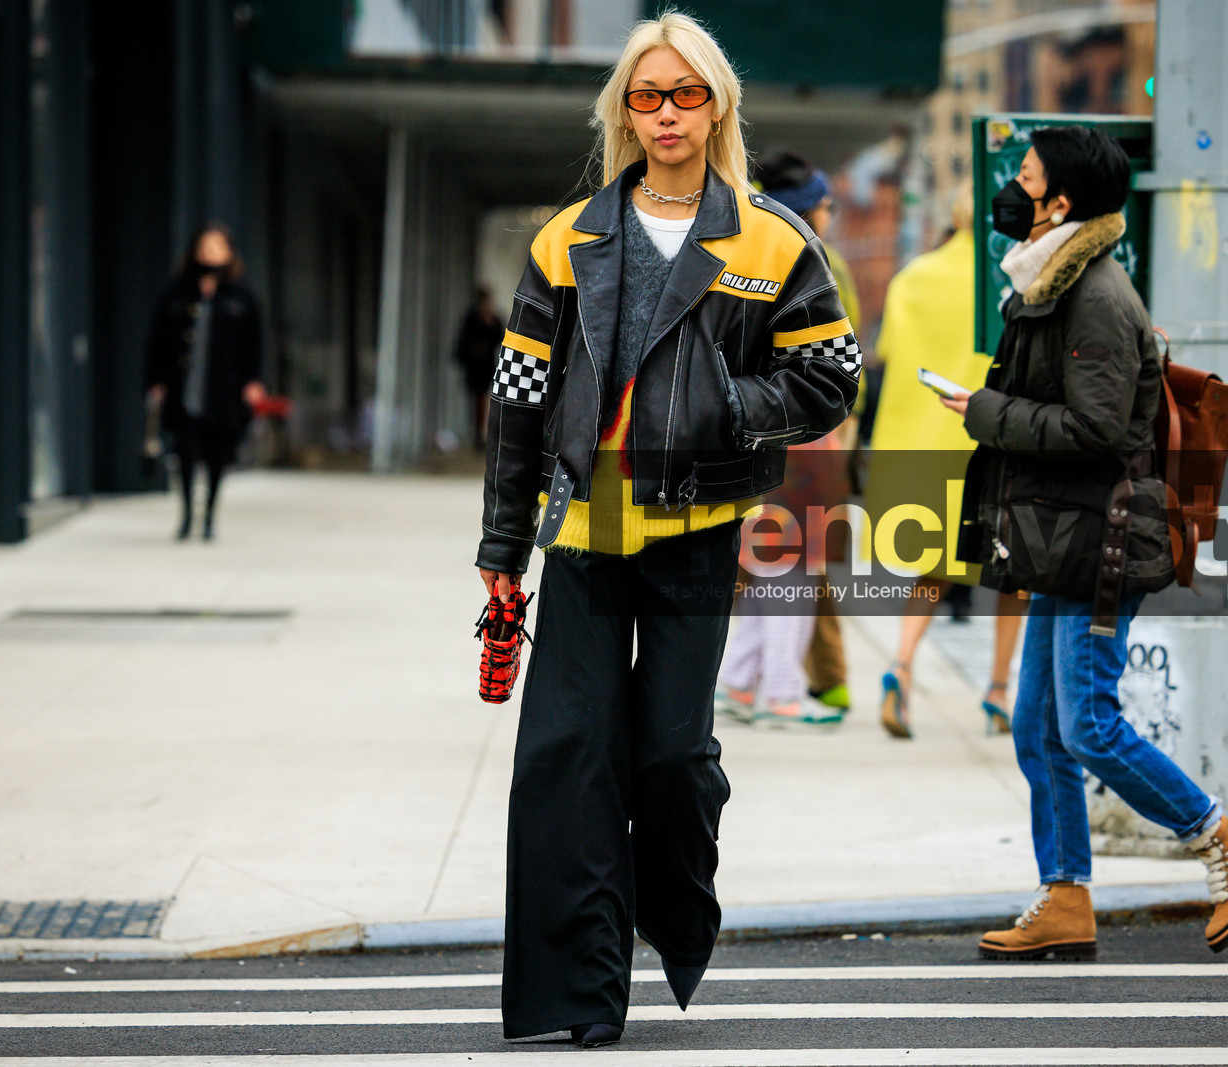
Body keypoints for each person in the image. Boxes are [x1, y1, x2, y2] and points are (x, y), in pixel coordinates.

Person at [475, 12, 858, 1045]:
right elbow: (517, 402)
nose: (665, 113)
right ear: (624, 111)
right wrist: (501, 556)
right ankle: (583, 994)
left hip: (697, 531)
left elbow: (832, 376)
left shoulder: (772, 239)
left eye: (685, 93)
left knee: (671, 759)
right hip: (584, 536)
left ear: (717, 104)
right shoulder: (567, 239)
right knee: (567, 757)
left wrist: (731, 407)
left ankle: (677, 906)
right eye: (645, 95)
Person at [948, 126, 1228, 957]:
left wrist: (983, 413)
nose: (1010, 189)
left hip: (1104, 540)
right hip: (1066, 536)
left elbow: (1097, 428)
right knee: (1036, 725)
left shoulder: (1094, 294)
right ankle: (1065, 895)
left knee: (1089, 724)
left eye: (1023, 177)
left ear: (1059, 202)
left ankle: (1227, 843)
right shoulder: (1048, 281)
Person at [867, 181, 1027, 739]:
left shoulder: (913, 277)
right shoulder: (1011, 281)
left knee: (933, 568)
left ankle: (901, 667)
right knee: (1016, 577)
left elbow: (887, 354)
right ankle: (1000, 691)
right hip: (992, 443)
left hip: (924, 446)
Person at [716, 149, 857, 728]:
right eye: (823, 204)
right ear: (807, 210)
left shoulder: (747, 244)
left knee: (770, 560)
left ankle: (740, 683)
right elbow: (836, 365)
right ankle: (779, 691)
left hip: (762, 428)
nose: (829, 213)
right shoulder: (813, 260)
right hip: (801, 433)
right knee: (796, 565)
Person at [144, 223, 265, 541]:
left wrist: (253, 381)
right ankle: (186, 515)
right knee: (184, 451)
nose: (210, 253)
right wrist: (155, 380)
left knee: (217, 454)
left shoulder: (242, 295)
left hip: (223, 390)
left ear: (229, 252)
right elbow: (156, 341)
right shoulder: (176, 292)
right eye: (204, 246)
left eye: (217, 247)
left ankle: (209, 515)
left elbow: (256, 344)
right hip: (183, 386)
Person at [454, 287, 504, 447]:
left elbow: (499, 337)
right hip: (475, 367)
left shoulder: (493, 318)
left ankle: (482, 433)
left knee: (485, 400)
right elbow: (463, 341)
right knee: (477, 400)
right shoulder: (472, 318)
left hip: (487, 365)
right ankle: (477, 434)